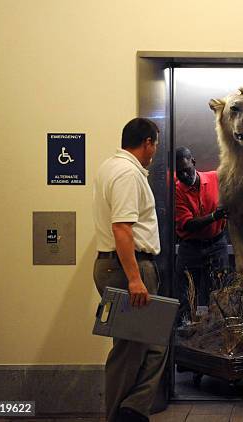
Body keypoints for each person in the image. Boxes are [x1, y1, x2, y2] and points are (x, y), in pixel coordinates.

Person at [92, 117, 167, 422]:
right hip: (127, 268)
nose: (156, 150)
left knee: (152, 345)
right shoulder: (126, 174)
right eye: (155, 144)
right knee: (129, 350)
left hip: (120, 267)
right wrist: (135, 279)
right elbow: (122, 227)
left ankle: (132, 410)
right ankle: (119, 415)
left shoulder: (113, 167)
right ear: (147, 142)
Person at [174, 146, 228, 324]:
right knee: (187, 296)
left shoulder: (214, 178)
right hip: (191, 247)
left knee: (220, 293)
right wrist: (214, 216)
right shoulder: (177, 190)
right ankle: (187, 336)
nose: (184, 175)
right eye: (179, 173)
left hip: (217, 243)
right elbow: (188, 224)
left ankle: (217, 334)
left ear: (194, 163)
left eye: (187, 170)